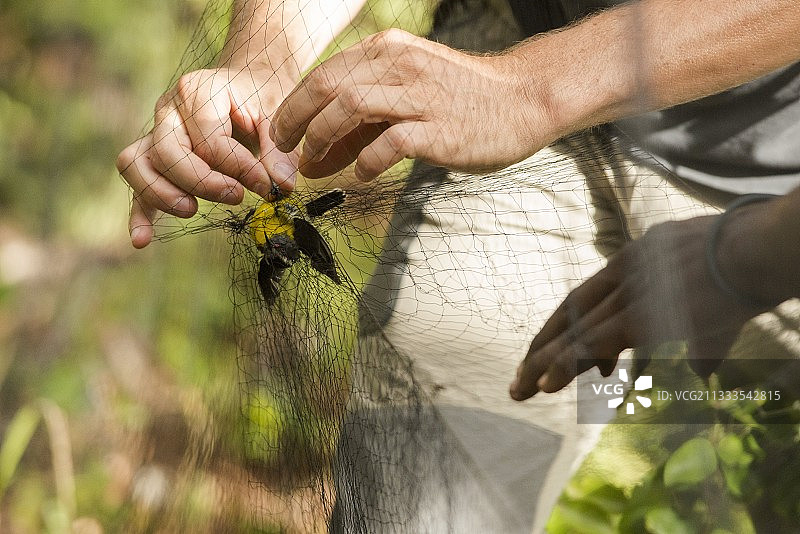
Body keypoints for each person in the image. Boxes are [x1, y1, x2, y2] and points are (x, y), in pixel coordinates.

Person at [117, 0, 800, 531]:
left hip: (773, 173)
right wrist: (261, 65)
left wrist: (533, 89)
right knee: (414, 495)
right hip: (528, 58)